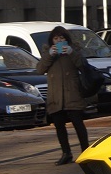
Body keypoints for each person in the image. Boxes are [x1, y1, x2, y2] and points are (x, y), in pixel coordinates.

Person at [36, 26, 89, 165]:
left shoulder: (74, 51)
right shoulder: (48, 53)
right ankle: (66, 153)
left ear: (67, 40)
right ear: (52, 41)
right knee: (59, 125)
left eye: (62, 38)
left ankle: (86, 151)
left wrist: (71, 53)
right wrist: (49, 54)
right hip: (56, 95)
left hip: (72, 94)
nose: (59, 41)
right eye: (56, 38)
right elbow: (40, 69)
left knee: (78, 123)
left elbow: (83, 66)